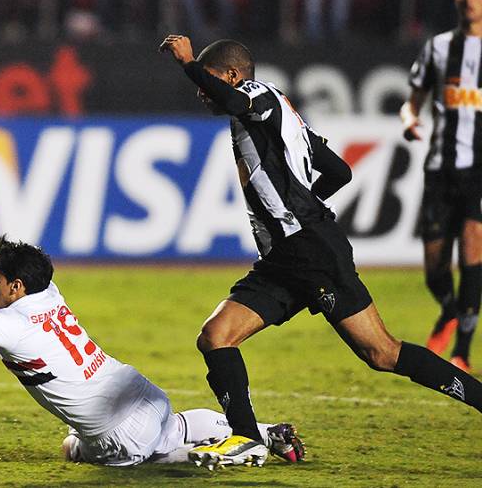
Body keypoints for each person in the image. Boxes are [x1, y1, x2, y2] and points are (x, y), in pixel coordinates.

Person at [159, 33, 482, 469]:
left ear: (234, 76)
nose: (202, 89)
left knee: (381, 353)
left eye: (210, 78)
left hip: (310, 251)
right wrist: (303, 201)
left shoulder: (258, 96)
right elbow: (338, 171)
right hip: (285, 257)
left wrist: (186, 64)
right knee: (216, 336)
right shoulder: (282, 119)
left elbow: (236, 102)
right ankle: (248, 438)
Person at [0, 208, 306, 467]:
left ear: (16, 288)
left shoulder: (12, 325)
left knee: (84, 450)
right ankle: (264, 433)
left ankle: (229, 458)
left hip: (117, 432)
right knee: (174, 427)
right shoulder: (47, 290)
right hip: (142, 391)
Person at [401, 0, 482, 373]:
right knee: (435, 269)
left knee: (472, 249)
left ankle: (462, 350)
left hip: (478, 172)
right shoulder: (437, 48)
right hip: (439, 171)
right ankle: (449, 309)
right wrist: (408, 119)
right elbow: (412, 100)